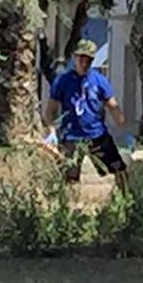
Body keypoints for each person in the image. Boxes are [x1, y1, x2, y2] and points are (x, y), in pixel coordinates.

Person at [44, 39, 132, 192]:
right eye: (81, 59)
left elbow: (113, 107)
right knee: (69, 179)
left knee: (119, 171)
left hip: (97, 134)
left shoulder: (99, 81)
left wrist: (125, 132)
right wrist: (52, 133)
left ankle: (127, 200)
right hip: (71, 137)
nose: (84, 64)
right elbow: (49, 110)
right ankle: (70, 204)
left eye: (89, 60)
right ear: (75, 57)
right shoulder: (62, 81)